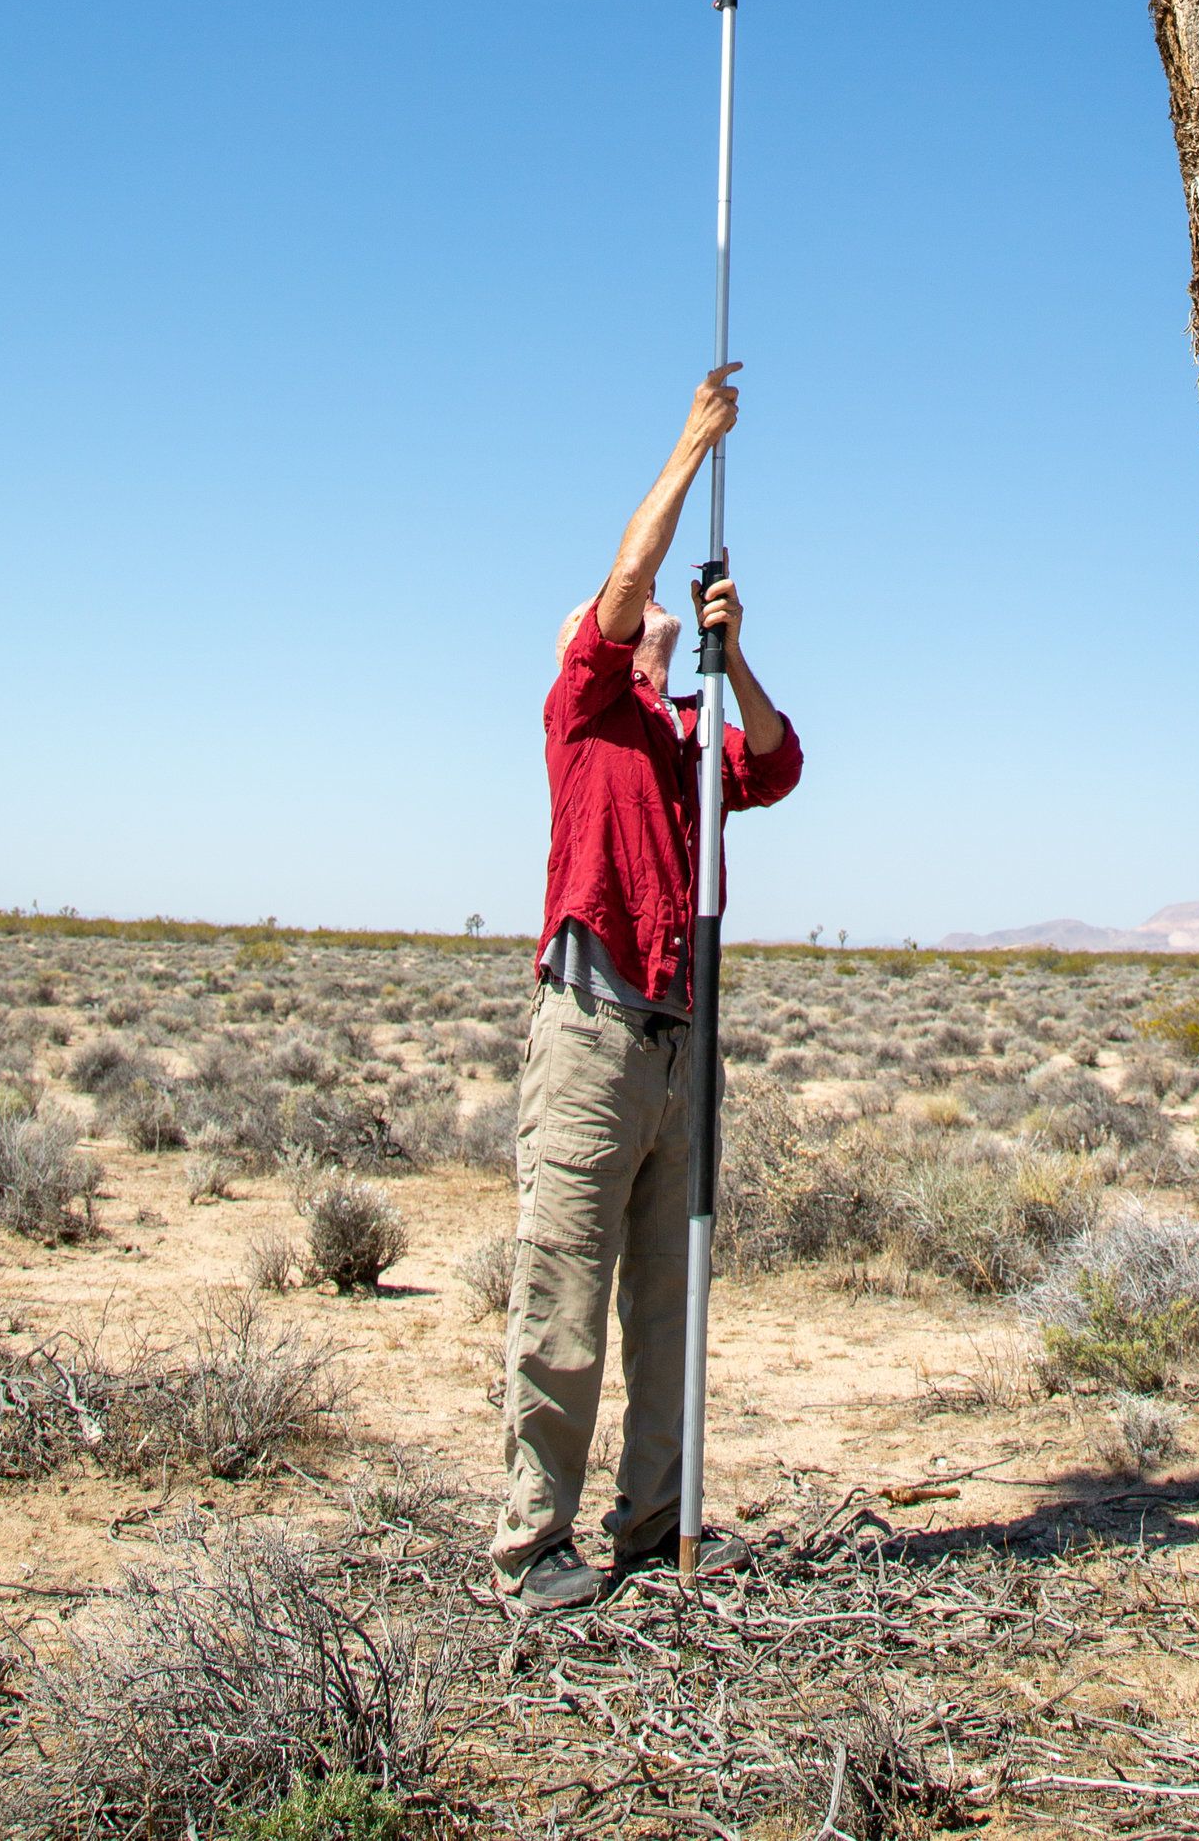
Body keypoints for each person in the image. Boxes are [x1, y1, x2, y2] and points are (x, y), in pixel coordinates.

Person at [495, 366, 802, 1609]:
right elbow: (625, 585)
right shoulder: (587, 708)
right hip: (593, 1032)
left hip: (686, 1041)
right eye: (616, 617)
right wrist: (690, 446)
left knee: (671, 1300)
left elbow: (778, 760)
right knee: (563, 1287)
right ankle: (530, 1543)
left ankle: (655, 1522)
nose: (633, 617)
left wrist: (740, 658)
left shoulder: (689, 743)